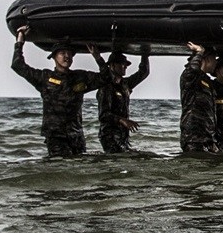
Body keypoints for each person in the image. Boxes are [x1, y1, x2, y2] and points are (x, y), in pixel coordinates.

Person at [11, 28, 103, 157]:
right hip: (55, 136)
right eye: (62, 53)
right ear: (54, 56)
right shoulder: (44, 77)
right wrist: (20, 40)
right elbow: (17, 65)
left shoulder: (80, 76)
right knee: (60, 166)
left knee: (80, 169)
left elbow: (106, 78)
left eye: (69, 53)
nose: (66, 56)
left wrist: (98, 58)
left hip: (76, 134)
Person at [88, 46, 152, 154]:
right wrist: (122, 120)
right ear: (112, 66)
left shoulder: (125, 84)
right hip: (109, 135)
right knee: (115, 161)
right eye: (121, 64)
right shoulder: (106, 87)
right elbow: (104, 115)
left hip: (123, 134)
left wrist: (144, 54)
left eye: (125, 65)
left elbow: (143, 72)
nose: (124, 67)